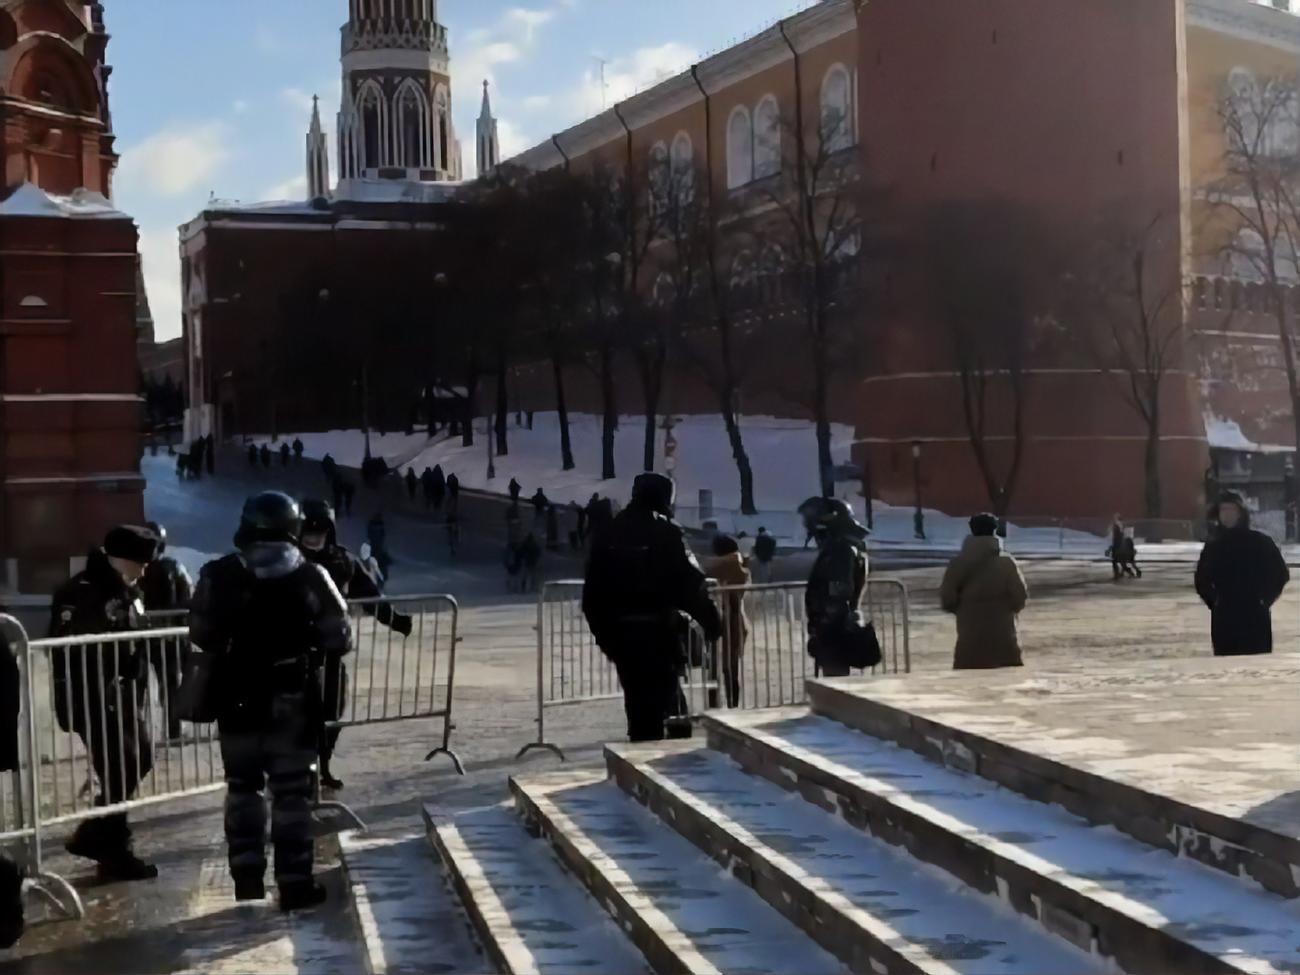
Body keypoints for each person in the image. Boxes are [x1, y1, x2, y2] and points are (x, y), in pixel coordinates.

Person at [189, 492, 352, 911]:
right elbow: (340, 635)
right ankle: (295, 883)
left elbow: (202, 633)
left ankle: (246, 878)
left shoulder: (217, 574)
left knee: (243, 788)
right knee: (292, 793)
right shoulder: (310, 575)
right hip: (290, 698)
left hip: (236, 697)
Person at [50, 525, 161, 881]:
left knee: (138, 759)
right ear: (117, 559)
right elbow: (76, 654)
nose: (143, 571)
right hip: (95, 699)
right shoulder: (82, 592)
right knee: (120, 767)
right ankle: (113, 850)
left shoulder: (126, 590)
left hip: (125, 697)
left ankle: (97, 836)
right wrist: (91, 702)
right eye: (138, 563)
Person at [583, 474, 722, 742]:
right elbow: (689, 583)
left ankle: (643, 758)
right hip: (658, 630)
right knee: (669, 698)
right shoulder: (667, 531)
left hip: (621, 632)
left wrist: (605, 637)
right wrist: (711, 621)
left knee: (638, 703)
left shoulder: (609, 532)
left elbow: (593, 592)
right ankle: (670, 762)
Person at [298, 500, 411, 790]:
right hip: (296, 652)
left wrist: (395, 620)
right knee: (301, 715)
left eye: (319, 530)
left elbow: (370, 596)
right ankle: (300, 770)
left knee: (333, 712)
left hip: (333, 649)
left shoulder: (343, 561)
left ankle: (322, 765)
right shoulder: (291, 560)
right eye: (307, 530)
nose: (313, 537)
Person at [1195, 492, 1290, 656]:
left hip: (1255, 615)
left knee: (1257, 666)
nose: (1227, 514)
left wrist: (1264, 599)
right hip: (1225, 617)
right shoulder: (1213, 546)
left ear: (1241, 513)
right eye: (1223, 510)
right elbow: (1201, 579)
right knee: (1227, 666)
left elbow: (1280, 574)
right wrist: (1215, 602)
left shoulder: (1260, 542)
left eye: (1231, 510)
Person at [940, 513, 1029, 670]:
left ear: (972, 530)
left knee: (969, 686)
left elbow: (947, 599)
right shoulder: (1006, 563)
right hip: (1003, 639)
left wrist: (966, 610)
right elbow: (1020, 597)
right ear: (994, 531)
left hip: (970, 639)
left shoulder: (957, 563)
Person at [800, 498, 870, 678]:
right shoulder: (844, 546)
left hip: (834, 630)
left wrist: (823, 630)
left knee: (836, 684)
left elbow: (838, 595)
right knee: (836, 681)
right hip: (835, 627)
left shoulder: (840, 550)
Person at [140, 521, 195, 741]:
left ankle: (147, 731)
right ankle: (172, 730)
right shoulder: (173, 567)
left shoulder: (138, 570)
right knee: (168, 685)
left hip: (148, 637)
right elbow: (189, 599)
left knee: (147, 686)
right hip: (168, 638)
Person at [704, 534, 750, 709]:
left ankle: (719, 705)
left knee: (718, 668)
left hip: (725, 619)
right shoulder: (739, 565)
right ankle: (732, 705)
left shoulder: (728, 565)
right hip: (734, 621)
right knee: (730, 669)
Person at [1108, 514, 1126, 581]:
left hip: (1117, 545)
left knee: (1114, 561)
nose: (1114, 519)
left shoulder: (1116, 525)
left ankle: (1117, 574)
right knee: (1120, 559)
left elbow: (1113, 535)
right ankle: (1121, 572)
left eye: (1115, 518)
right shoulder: (1121, 525)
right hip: (1120, 544)